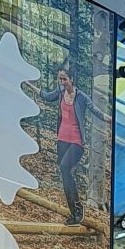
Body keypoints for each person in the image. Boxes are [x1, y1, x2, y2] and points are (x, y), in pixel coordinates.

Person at [35, 66, 86, 226]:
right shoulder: (60, 92)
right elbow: (47, 96)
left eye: (65, 79)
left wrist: (107, 118)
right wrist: (29, 85)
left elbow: (93, 108)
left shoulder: (80, 96)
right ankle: (74, 213)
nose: (62, 82)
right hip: (62, 139)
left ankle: (78, 207)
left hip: (76, 140)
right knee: (64, 174)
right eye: (60, 79)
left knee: (65, 167)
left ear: (72, 79)